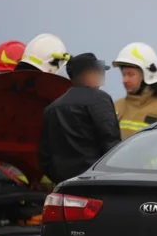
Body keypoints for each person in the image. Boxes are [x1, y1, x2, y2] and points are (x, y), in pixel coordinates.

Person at [39, 53, 122, 183]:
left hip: (64, 186)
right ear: (90, 73)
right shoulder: (100, 99)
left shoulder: (52, 108)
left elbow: (45, 158)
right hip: (95, 184)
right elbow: (111, 144)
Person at [112, 42, 157, 139]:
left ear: (147, 74)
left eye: (131, 74)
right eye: (123, 74)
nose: (125, 80)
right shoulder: (115, 108)